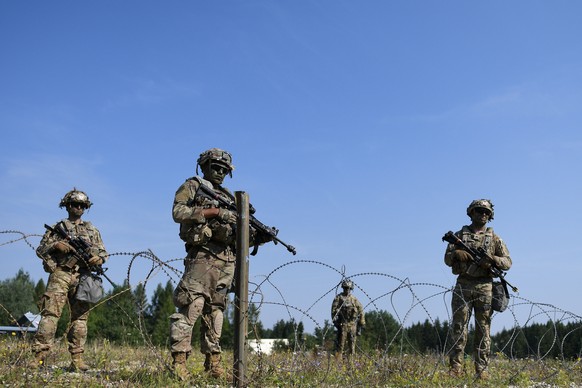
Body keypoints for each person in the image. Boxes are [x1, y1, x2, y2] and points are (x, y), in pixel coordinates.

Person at [169, 148, 270, 380]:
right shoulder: (194, 185)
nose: (220, 173)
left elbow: (239, 235)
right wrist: (213, 212)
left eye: (225, 170)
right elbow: (178, 211)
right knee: (192, 306)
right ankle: (179, 363)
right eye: (215, 167)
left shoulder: (229, 196)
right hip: (203, 256)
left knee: (216, 312)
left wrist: (258, 237)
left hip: (227, 260)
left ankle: (213, 363)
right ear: (204, 166)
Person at [31, 189, 108, 371]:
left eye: (82, 205)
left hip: (83, 275)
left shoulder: (92, 230)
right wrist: (56, 245)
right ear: (67, 206)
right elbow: (40, 249)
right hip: (61, 273)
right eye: (75, 204)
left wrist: (99, 259)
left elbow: (103, 252)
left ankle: (77, 359)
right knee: (50, 316)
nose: (78, 208)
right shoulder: (58, 228)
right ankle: (39, 357)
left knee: (80, 319)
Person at [444, 199, 512, 380]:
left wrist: (492, 259)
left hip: (485, 286)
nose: (482, 215)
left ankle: (482, 370)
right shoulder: (459, 236)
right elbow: (447, 259)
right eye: (479, 211)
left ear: (490, 216)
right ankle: (455, 368)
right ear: (471, 213)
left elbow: (508, 262)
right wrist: (456, 253)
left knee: (483, 330)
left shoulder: (495, 239)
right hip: (463, 284)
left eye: (486, 213)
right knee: (459, 328)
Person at [331, 279, 365, 360]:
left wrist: (362, 322)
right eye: (346, 288)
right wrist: (335, 321)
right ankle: (338, 362)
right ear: (343, 288)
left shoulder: (354, 299)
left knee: (352, 346)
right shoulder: (339, 298)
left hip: (352, 324)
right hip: (343, 324)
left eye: (349, 288)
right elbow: (333, 311)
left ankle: (351, 363)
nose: (347, 290)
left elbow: (361, 310)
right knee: (340, 345)